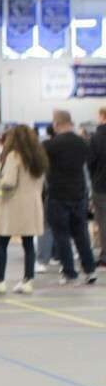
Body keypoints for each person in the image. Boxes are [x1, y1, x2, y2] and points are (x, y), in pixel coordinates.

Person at [0, 126, 46, 295]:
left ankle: (0, 281)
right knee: (28, 244)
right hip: (33, 204)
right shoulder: (38, 158)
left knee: (2, 243)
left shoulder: (13, 156)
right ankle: (28, 280)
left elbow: (9, 182)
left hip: (14, 204)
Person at [44, 109, 98, 286]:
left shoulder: (50, 145)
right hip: (79, 193)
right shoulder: (83, 143)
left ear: (56, 124)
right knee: (81, 234)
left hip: (58, 194)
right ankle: (90, 270)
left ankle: (69, 272)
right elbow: (89, 167)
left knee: (62, 235)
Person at [88, 106, 106, 267]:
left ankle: (105, 256)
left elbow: (91, 162)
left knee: (103, 222)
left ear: (102, 116)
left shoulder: (96, 137)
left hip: (101, 185)